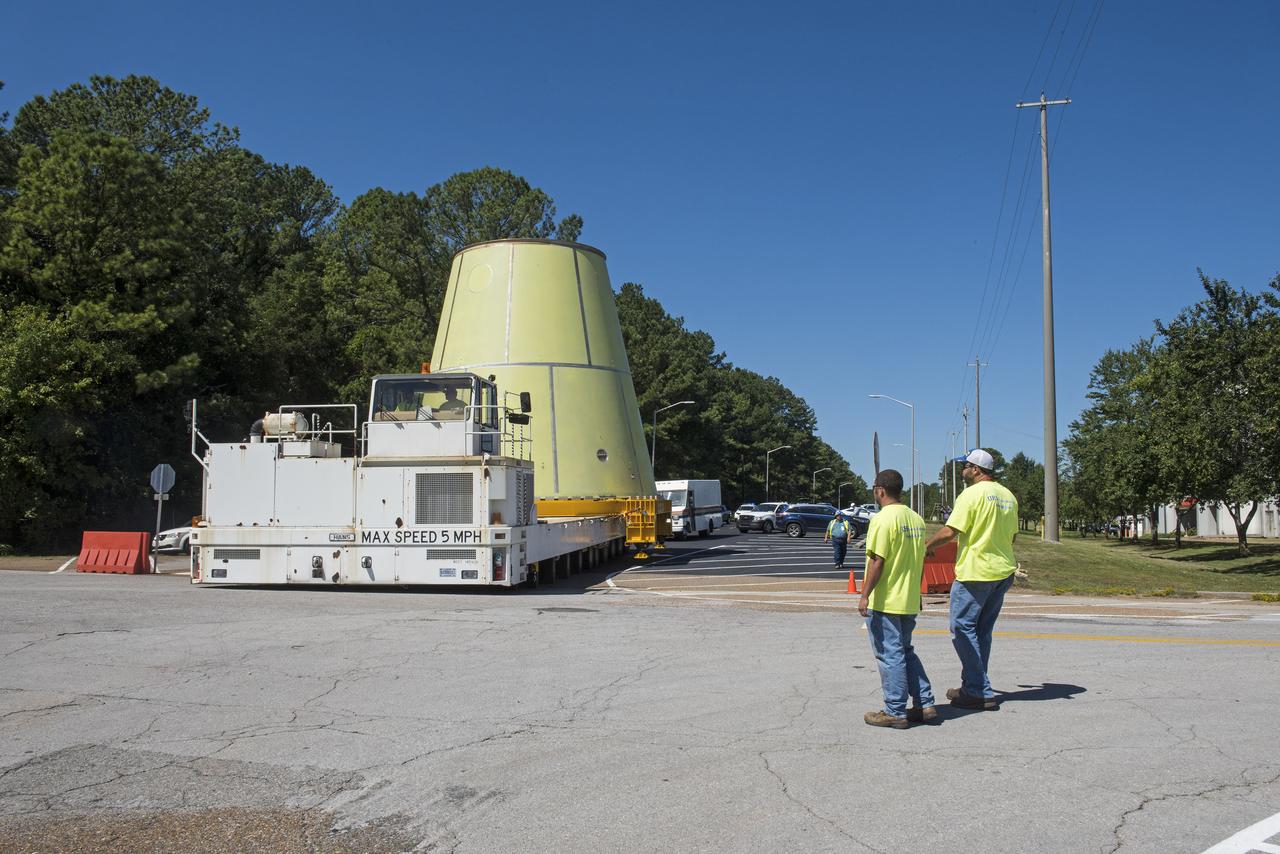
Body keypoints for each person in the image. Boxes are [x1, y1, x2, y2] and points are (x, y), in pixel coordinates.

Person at [922, 448, 1018, 711]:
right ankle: (971, 686)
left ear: (976, 470)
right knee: (981, 632)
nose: (962, 470)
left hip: (976, 573)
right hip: (1003, 572)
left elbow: (951, 531)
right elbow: (1012, 537)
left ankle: (977, 690)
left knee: (962, 628)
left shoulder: (971, 494)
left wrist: (927, 546)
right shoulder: (1008, 496)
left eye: (965, 465)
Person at [859, 469, 935, 729]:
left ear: (880, 490)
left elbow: (877, 561)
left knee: (889, 654)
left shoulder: (882, 520)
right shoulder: (916, 519)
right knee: (905, 652)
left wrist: (864, 594)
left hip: (887, 600)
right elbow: (919, 559)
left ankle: (895, 710)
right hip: (909, 598)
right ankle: (925, 704)